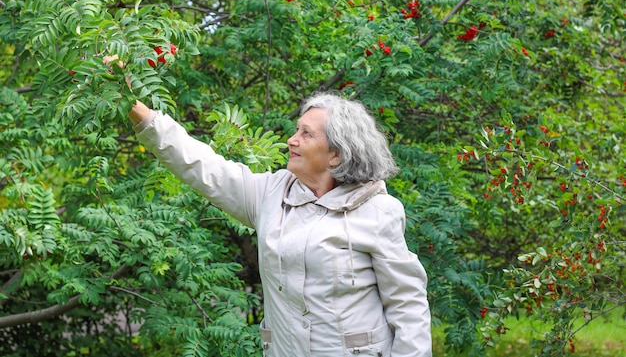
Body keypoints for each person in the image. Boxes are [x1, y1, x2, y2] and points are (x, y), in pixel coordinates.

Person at [129, 92, 432, 357]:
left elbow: (408, 306)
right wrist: (136, 108)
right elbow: (204, 167)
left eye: (306, 134)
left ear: (336, 156)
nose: (292, 139)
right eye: (296, 130)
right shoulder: (270, 194)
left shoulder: (378, 211)